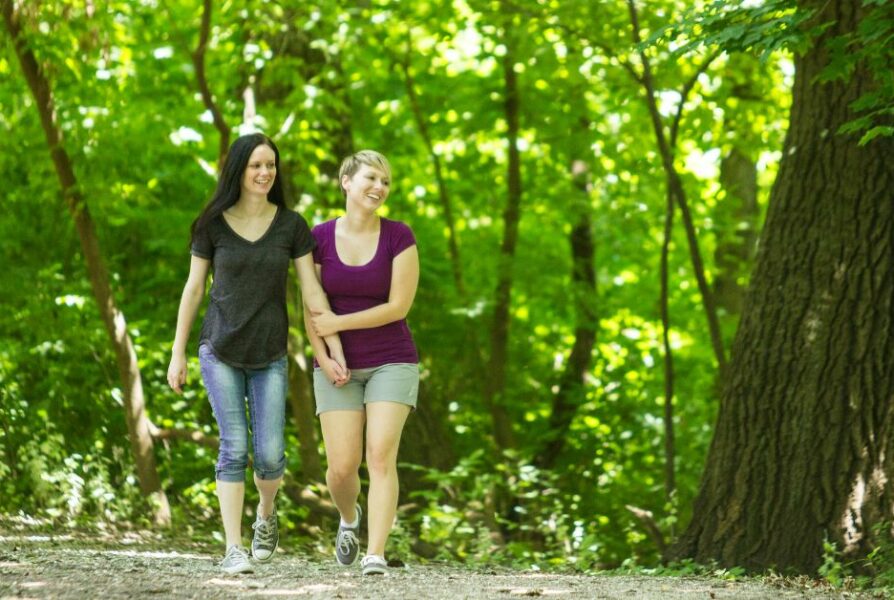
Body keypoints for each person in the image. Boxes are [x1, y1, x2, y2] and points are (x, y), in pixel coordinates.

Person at [167, 133, 349, 575]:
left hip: (269, 352)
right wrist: (177, 354)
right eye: (256, 166)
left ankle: (265, 514)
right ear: (238, 171)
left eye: (271, 165)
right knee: (234, 448)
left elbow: (312, 291)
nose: (265, 173)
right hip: (220, 349)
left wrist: (331, 349)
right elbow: (194, 289)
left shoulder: (291, 225)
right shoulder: (212, 223)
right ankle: (233, 548)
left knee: (269, 456)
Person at [305, 150, 420, 576]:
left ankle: (375, 553)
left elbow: (398, 306)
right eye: (372, 177)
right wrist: (324, 354)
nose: (380, 187)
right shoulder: (318, 237)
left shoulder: (399, 236)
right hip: (336, 367)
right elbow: (310, 306)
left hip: (393, 360)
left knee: (380, 457)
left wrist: (340, 321)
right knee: (340, 468)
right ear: (346, 181)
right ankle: (349, 519)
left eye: (386, 181)